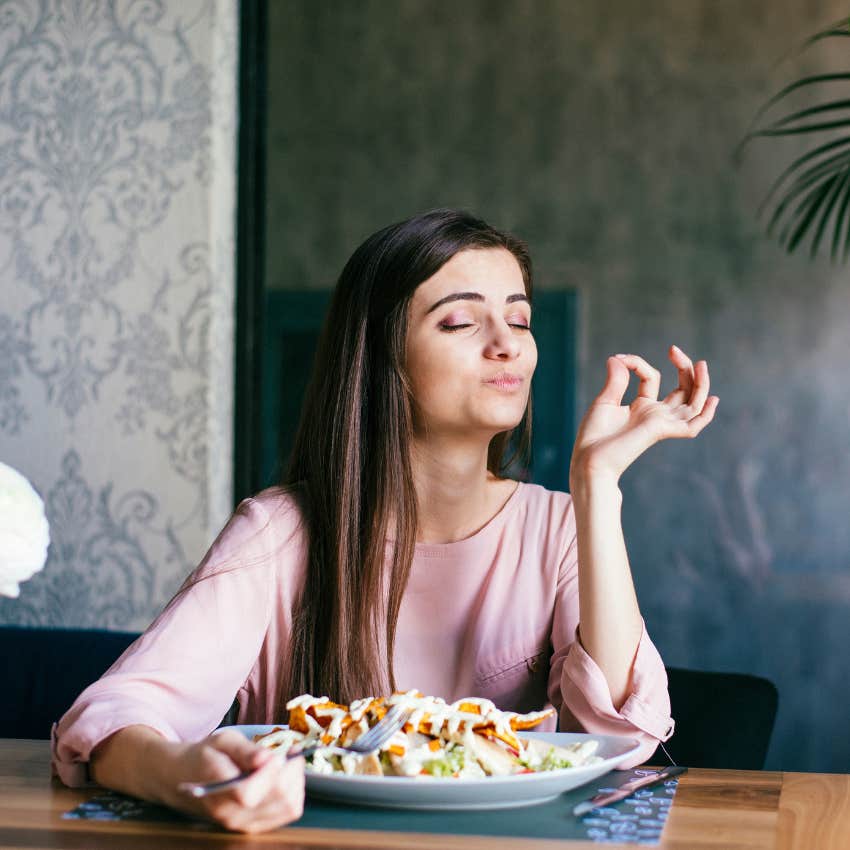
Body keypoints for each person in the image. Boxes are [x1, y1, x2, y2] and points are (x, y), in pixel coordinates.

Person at [52, 209, 718, 833]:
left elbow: (622, 739)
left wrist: (596, 485)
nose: (506, 346)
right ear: (381, 355)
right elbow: (112, 721)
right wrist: (187, 775)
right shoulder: (280, 531)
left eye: (519, 320)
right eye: (461, 322)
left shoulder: (557, 526)